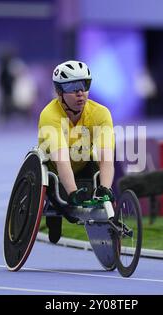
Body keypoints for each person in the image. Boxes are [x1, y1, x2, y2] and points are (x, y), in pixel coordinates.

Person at [38, 60, 115, 243]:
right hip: (53, 170)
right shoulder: (50, 115)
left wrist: (105, 189)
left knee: (99, 176)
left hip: (83, 163)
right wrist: (72, 192)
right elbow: (61, 160)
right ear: (59, 93)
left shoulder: (101, 113)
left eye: (84, 85)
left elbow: (106, 157)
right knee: (71, 214)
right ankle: (54, 216)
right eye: (73, 87)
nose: (80, 92)